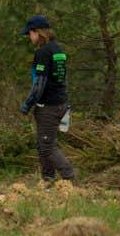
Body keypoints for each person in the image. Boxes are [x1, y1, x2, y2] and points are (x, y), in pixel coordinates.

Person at [19, 14, 76, 182]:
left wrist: (27, 104)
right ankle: (48, 180)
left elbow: (40, 82)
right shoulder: (58, 50)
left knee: (47, 148)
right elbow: (63, 78)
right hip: (60, 103)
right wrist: (66, 102)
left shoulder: (43, 52)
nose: (29, 37)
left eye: (29, 34)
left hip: (48, 106)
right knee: (43, 145)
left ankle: (70, 178)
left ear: (37, 32)